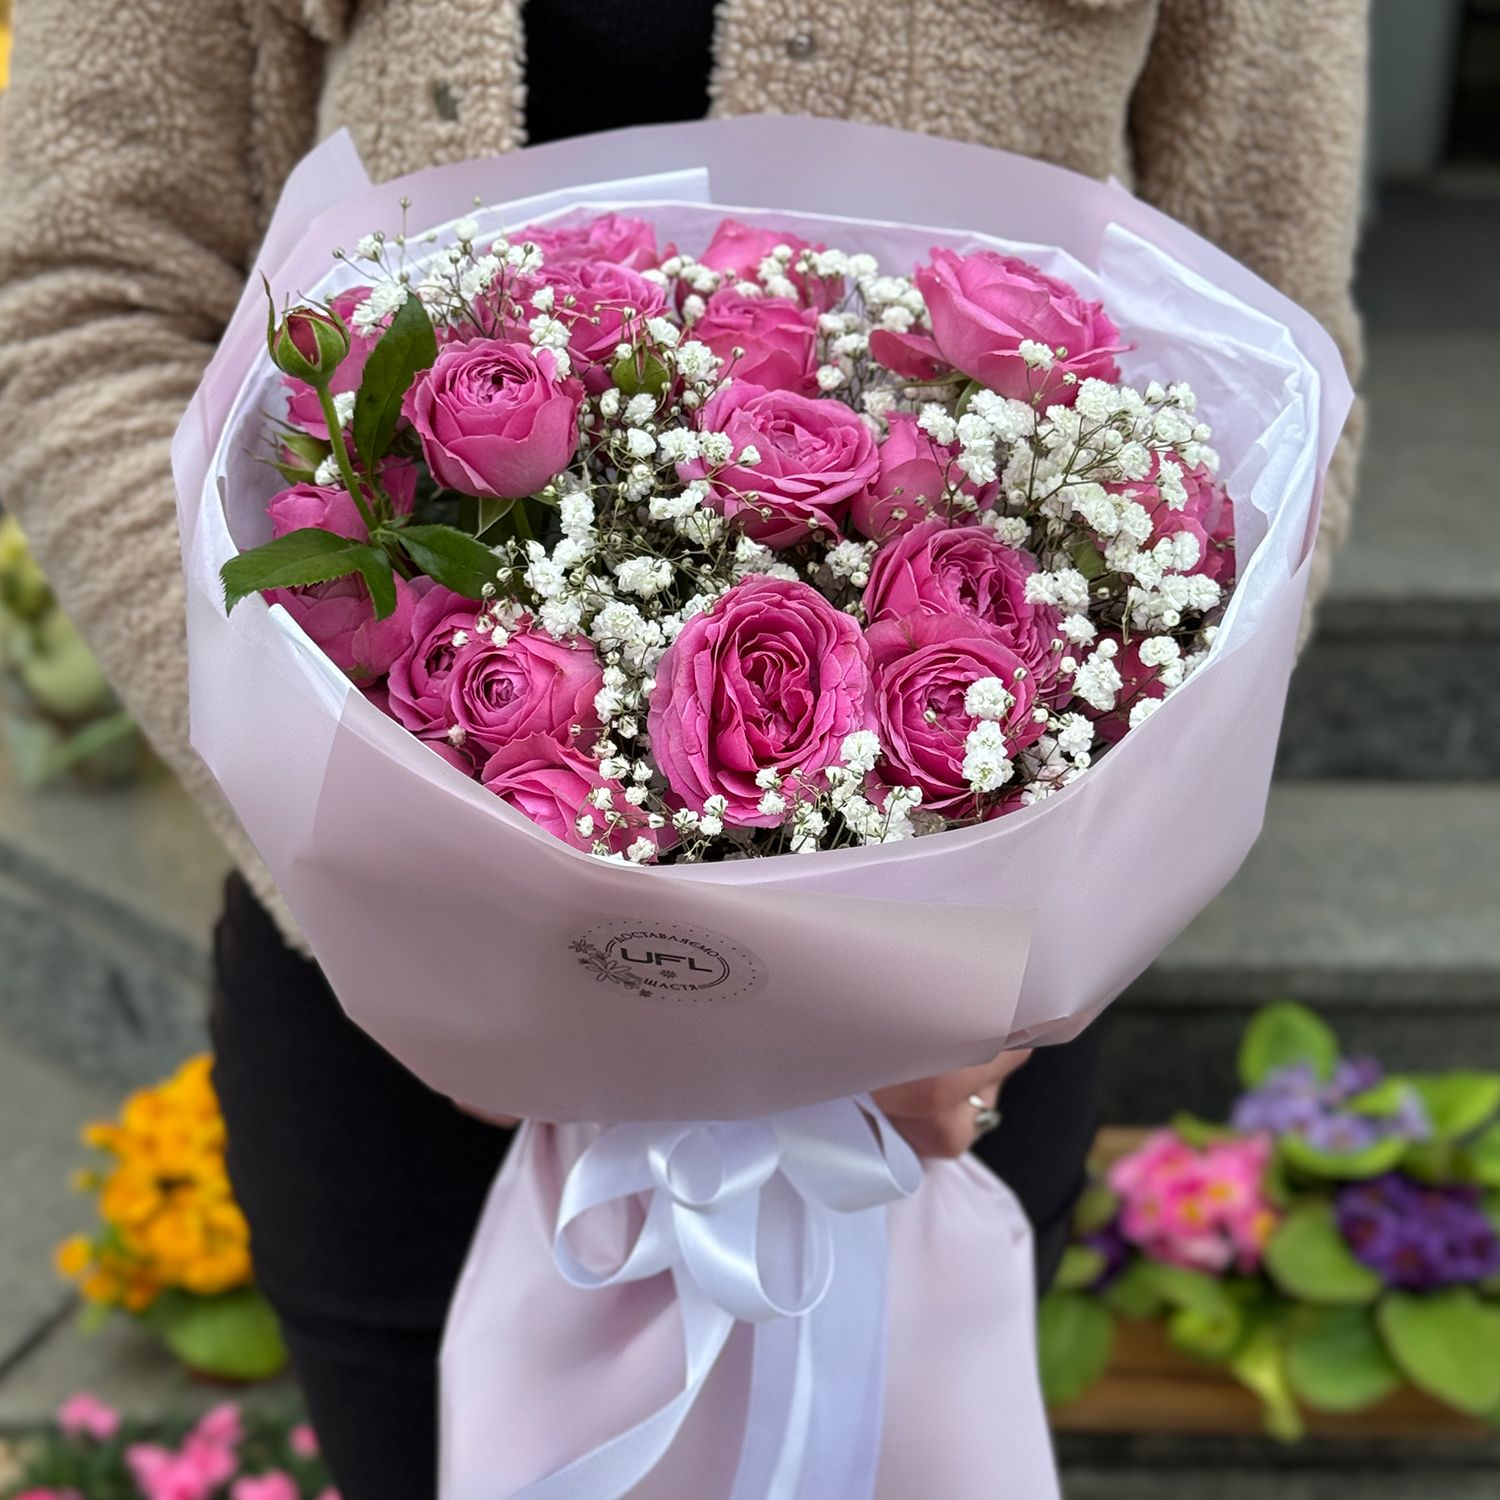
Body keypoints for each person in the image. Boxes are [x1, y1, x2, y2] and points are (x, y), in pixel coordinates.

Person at [0, 3, 1368, 1496]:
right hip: (397, 1024)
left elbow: (1277, 385)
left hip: (939, 1077)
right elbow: (89, 299)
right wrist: (370, 863)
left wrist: (1021, 929)